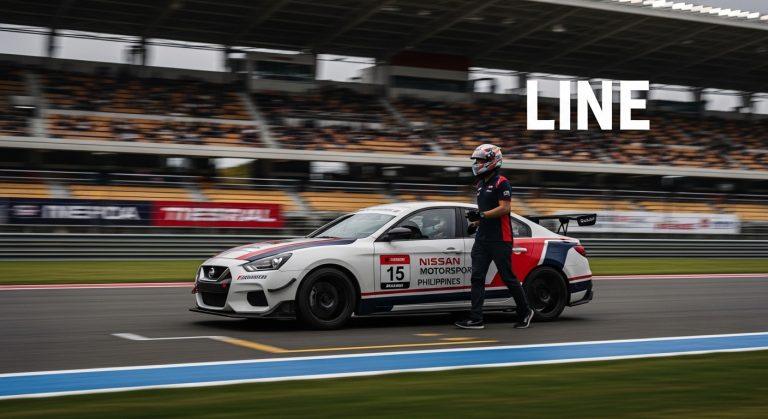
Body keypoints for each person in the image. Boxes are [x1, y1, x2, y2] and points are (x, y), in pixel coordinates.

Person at [455, 144, 534, 330]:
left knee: (508, 277)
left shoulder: (502, 182)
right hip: (482, 239)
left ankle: (525, 311)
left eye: (480, 160)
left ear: (492, 161)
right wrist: (476, 223)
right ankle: (476, 319)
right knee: (477, 277)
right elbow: (487, 214)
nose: (477, 163)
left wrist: (481, 215)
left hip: (500, 238)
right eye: (476, 160)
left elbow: (505, 208)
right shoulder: (480, 185)